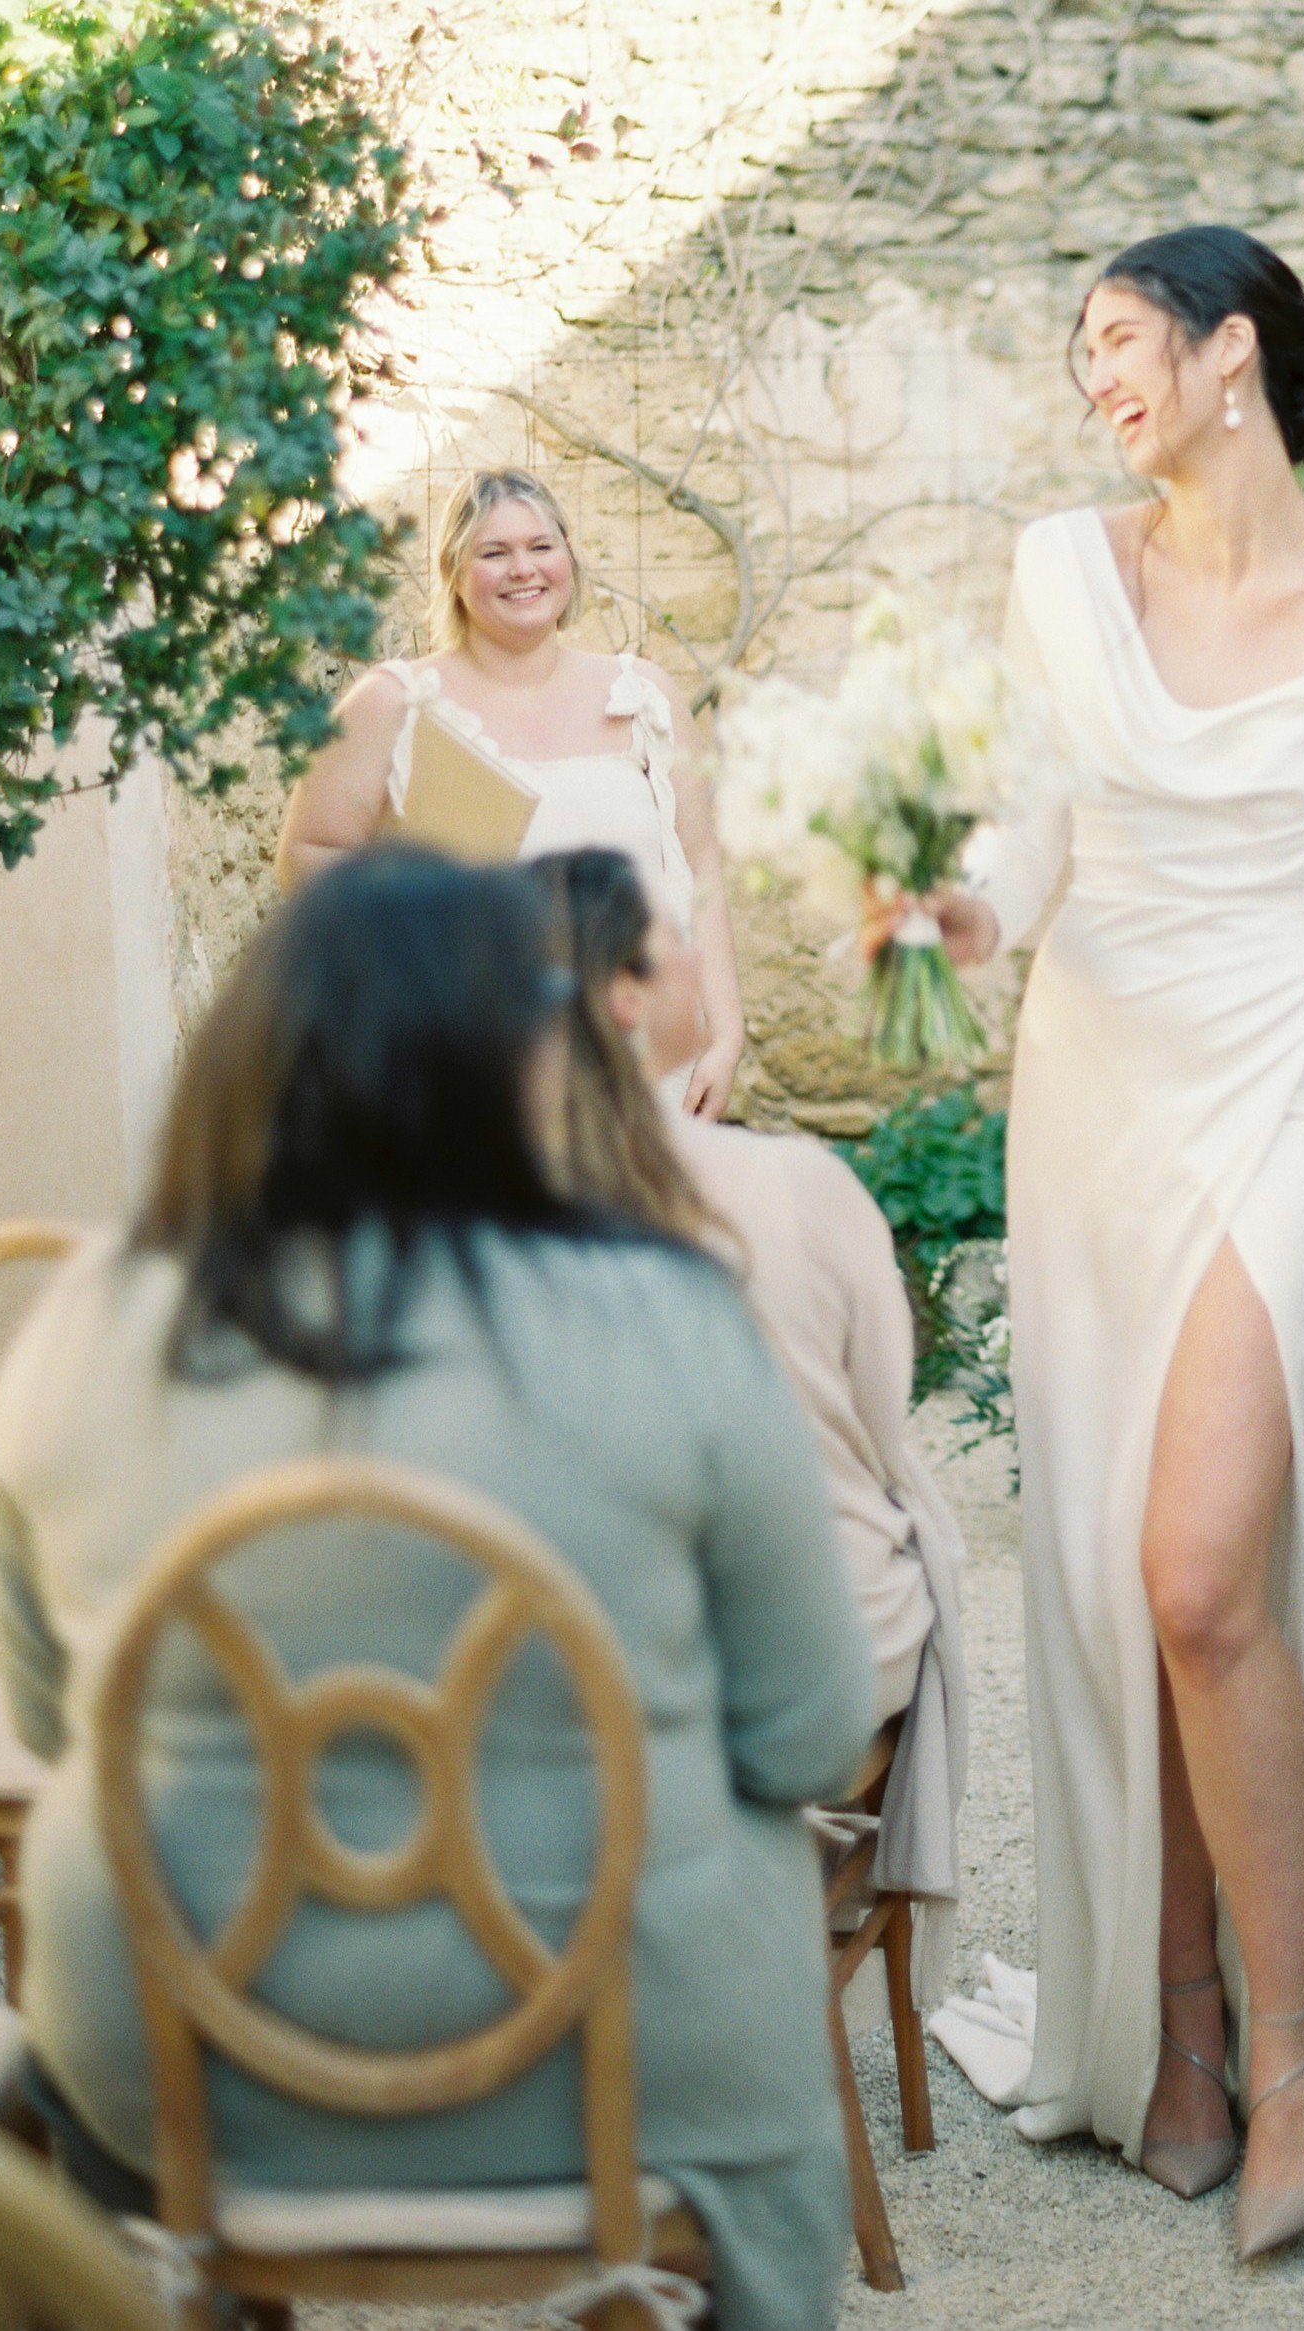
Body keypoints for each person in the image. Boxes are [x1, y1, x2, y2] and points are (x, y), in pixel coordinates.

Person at [0, 852, 872, 2331]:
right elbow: (810, 1736)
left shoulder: (90, 1319)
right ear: (520, 1059)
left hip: (177, 2067)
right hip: (623, 2067)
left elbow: (55, 1715)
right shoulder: (664, 1314)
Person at [928, 226, 1304, 2260]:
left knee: (1196, 1567)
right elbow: (1024, 843)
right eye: (1081, 357)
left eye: (1124, 342)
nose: (1099, 384)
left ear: (1235, 350)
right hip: (1091, 1075)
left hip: (1282, 1072)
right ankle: (1167, 2032)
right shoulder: (1065, 571)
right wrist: (940, 917)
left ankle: (1294, 2038)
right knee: (1104, 1577)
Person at [535, 843, 968, 2001]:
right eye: (679, 939)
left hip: (562, 1689)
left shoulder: (472, 1219)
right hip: (800, 1675)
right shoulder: (797, 1186)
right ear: (628, 994)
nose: (700, 962)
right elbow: (887, 1428)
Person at [276, 465, 746, 1116]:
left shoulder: (643, 697)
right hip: (468, 1060)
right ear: (455, 572)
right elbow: (309, 854)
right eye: (493, 552)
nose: (523, 569)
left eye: (540, 546)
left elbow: (701, 870)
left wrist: (724, 1034)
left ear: (568, 558)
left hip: (640, 1066)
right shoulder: (395, 703)